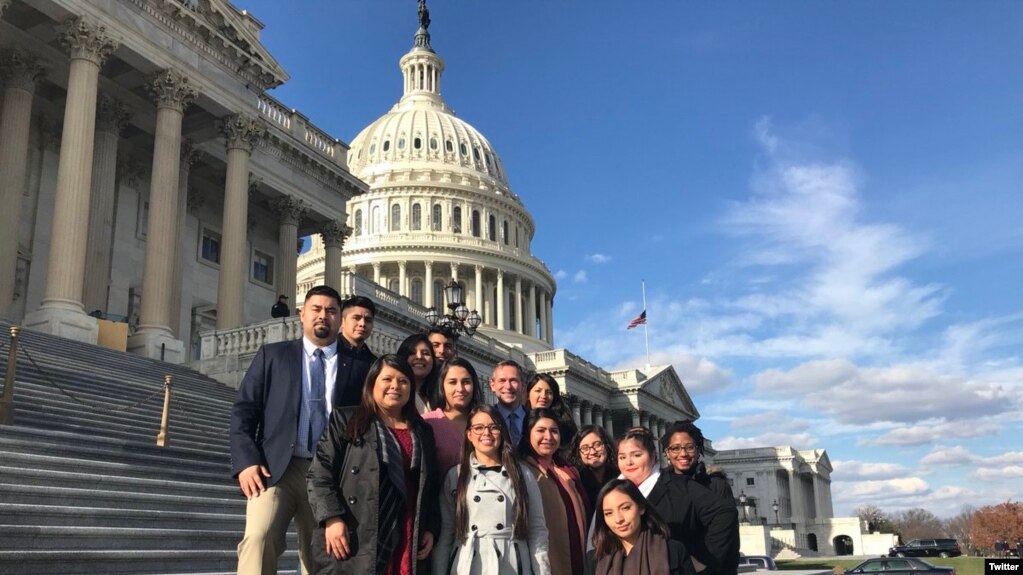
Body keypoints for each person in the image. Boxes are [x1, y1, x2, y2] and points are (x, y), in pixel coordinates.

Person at [230, 285, 344, 575]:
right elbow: (245, 410)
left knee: (320, 556)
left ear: (340, 319)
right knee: (259, 539)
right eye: (316, 309)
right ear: (301, 315)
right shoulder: (273, 356)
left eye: (331, 310)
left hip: (331, 473)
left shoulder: (358, 366)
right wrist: (246, 462)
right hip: (277, 467)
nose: (323, 316)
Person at [307, 354, 439, 575]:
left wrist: (430, 528)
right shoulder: (347, 420)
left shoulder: (422, 431)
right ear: (372, 384)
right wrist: (331, 517)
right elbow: (319, 474)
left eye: (403, 381)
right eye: (387, 379)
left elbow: (431, 485)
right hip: (356, 527)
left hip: (407, 529)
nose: (395, 386)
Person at [433, 405, 551, 574]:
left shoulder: (522, 474)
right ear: (469, 435)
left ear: (502, 433)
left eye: (493, 427)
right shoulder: (456, 475)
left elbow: (537, 530)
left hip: (512, 561)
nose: (486, 433)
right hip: (468, 563)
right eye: (478, 428)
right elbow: (446, 534)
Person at [617, 427, 739, 575]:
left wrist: (705, 561)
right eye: (622, 457)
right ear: (666, 452)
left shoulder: (681, 484)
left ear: (653, 456)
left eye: (637, 455)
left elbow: (725, 514)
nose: (628, 462)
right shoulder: (614, 491)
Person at [519, 408, 589, 575]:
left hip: (578, 557)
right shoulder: (523, 470)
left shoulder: (568, 470)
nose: (548, 437)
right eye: (540, 431)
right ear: (528, 435)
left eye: (554, 431)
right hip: (546, 562)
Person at [590, 479, 689, 575]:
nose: (618, 519)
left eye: (625, 508)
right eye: (608, 513)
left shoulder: (672, 551)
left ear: (641, 507)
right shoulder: (595, 559)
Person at [422, 358, 483, 476]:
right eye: (452, 382)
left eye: (466, 382)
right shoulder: (427, 423)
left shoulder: (487, 422)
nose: (460, 389)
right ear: (442, 386)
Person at [660, 421, 734, 503]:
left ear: (698, 451)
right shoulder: (659, 486)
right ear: (667, 453)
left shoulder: (717, 486)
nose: (683, 454)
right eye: (676, 448)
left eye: (690, 447)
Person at [335, 295, 377, 408]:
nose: (362, 324)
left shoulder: (374, 363)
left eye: (368, 320)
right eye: (356, 318)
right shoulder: (327, 353)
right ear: (342, 321)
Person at [571, 425, 619, 523]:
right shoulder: (575, 480)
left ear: (606, 445)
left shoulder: (620, 476)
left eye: (597, 445)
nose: (592, 452)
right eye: (585, 448)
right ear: (578, 452)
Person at [524, 373, 578, 458]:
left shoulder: (564, 423)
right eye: (538, 391)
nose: (543, 396)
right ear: (527, 395)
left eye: (549, 392)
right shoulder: (520, 420)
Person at [397, 333, 439, 412]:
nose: (419, 357)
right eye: (412, 353)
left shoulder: (440, 395)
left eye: (425, 353)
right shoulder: (396, 392)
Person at [490, 360, 527, 446]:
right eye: (502, 380)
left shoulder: (534, 419)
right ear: (492, 386)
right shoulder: (487, 418)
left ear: (523, 385)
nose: (508, 386)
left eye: (513, 380)